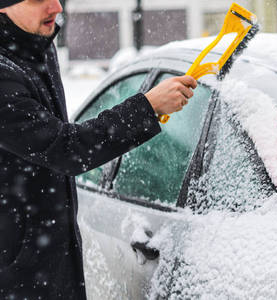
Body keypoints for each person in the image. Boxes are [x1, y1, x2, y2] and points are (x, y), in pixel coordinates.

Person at [0, 0, 197, 298]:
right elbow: (64, 148)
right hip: (16, 270)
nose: (56, 7)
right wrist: (147, 106)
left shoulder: (36, 46)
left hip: (47, 256)